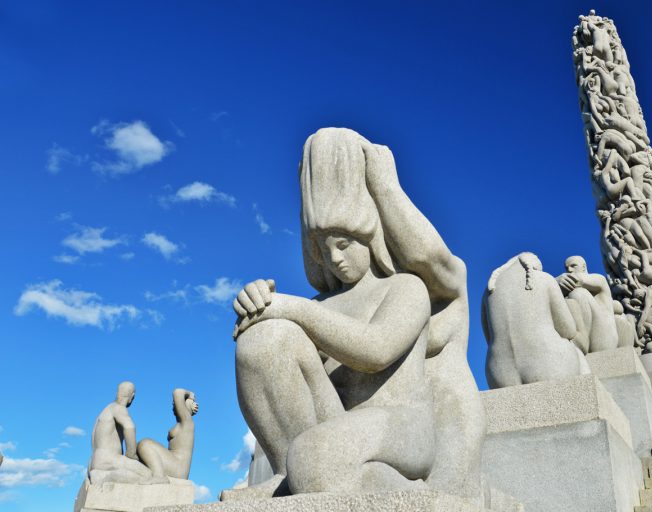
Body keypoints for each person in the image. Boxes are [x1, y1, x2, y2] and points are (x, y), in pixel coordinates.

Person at [233, 128, 478, 497]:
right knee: (262, 340)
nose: (334, 258)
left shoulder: (405, 287)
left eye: (344, 244)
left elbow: (376, 349)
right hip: (341, 429)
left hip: (400, 427)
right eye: (322, 247)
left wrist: (290, 307)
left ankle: (412, 498)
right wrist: (262, 308)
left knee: (316, 457)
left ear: (370, 236)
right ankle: (291, 475)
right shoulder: (322, 306)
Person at [483, 252, 590, 387]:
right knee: (578, 352)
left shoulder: (489, 290)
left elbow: (489, 336)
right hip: (550, 365)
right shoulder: (545, 279)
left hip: (498, 374)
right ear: (534, 265)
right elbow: (568, 330)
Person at [88, 382, 152, 484]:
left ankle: (103, 474)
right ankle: (104, 476)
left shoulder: (106, 410)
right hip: (108, 459)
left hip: (95, 460)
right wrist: (131, 453)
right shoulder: (118, 408)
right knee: (148, 474)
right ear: (132, 396)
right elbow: (129, 427)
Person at [557, 255, 619, 353]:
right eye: (566, 268)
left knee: (578, 293)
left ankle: (581, 339)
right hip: (590, 339)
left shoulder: (599, 279)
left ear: (584, 267)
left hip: (604, 339)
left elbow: (578, 281)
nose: (569, 270)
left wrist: (553, 282)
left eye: (573, 266)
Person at [137, 389, 198, 482]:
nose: (174, 405)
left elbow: (178, 392)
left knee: (145, 444)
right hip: (173, 461)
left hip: (178, 467)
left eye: (176, 403)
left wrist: (190, 395)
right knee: (140, 453)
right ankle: (157, 473)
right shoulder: (181, 423)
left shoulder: (187, 421)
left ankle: (159, 476)